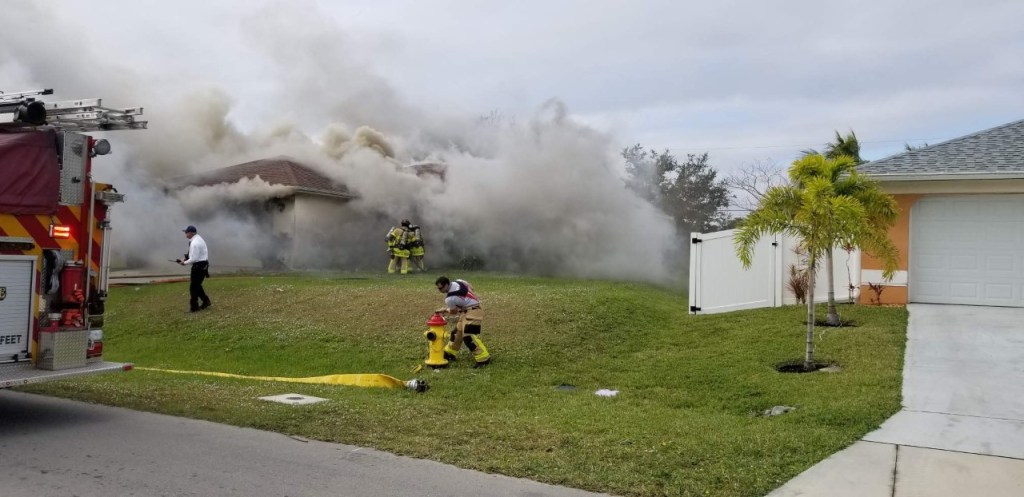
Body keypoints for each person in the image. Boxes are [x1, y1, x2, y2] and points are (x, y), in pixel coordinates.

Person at [435, 276, 490, 367]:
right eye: (438, 288)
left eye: (441, 288)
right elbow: (471, 287)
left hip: (473, 312)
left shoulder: (449, 299)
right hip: (468, 311)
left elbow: (453, 311)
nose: (439, 290)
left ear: (447, 285)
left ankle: (483, 358)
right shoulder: (459, 281)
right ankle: (450, 352)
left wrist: (445, 310)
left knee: (468, 337)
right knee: (456, 333)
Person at [176, 225, 211, 313]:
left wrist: (184, 263)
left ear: (191, 233)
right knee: (197, 286)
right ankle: (206, 301)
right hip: (202, 265)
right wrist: (185, 259)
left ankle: (194, 307)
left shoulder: (195, 243)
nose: (185, 234)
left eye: (186, 232)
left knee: (193, 287)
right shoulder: (197, 239)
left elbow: (194, 258)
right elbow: (192, 255)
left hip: (198, 266)